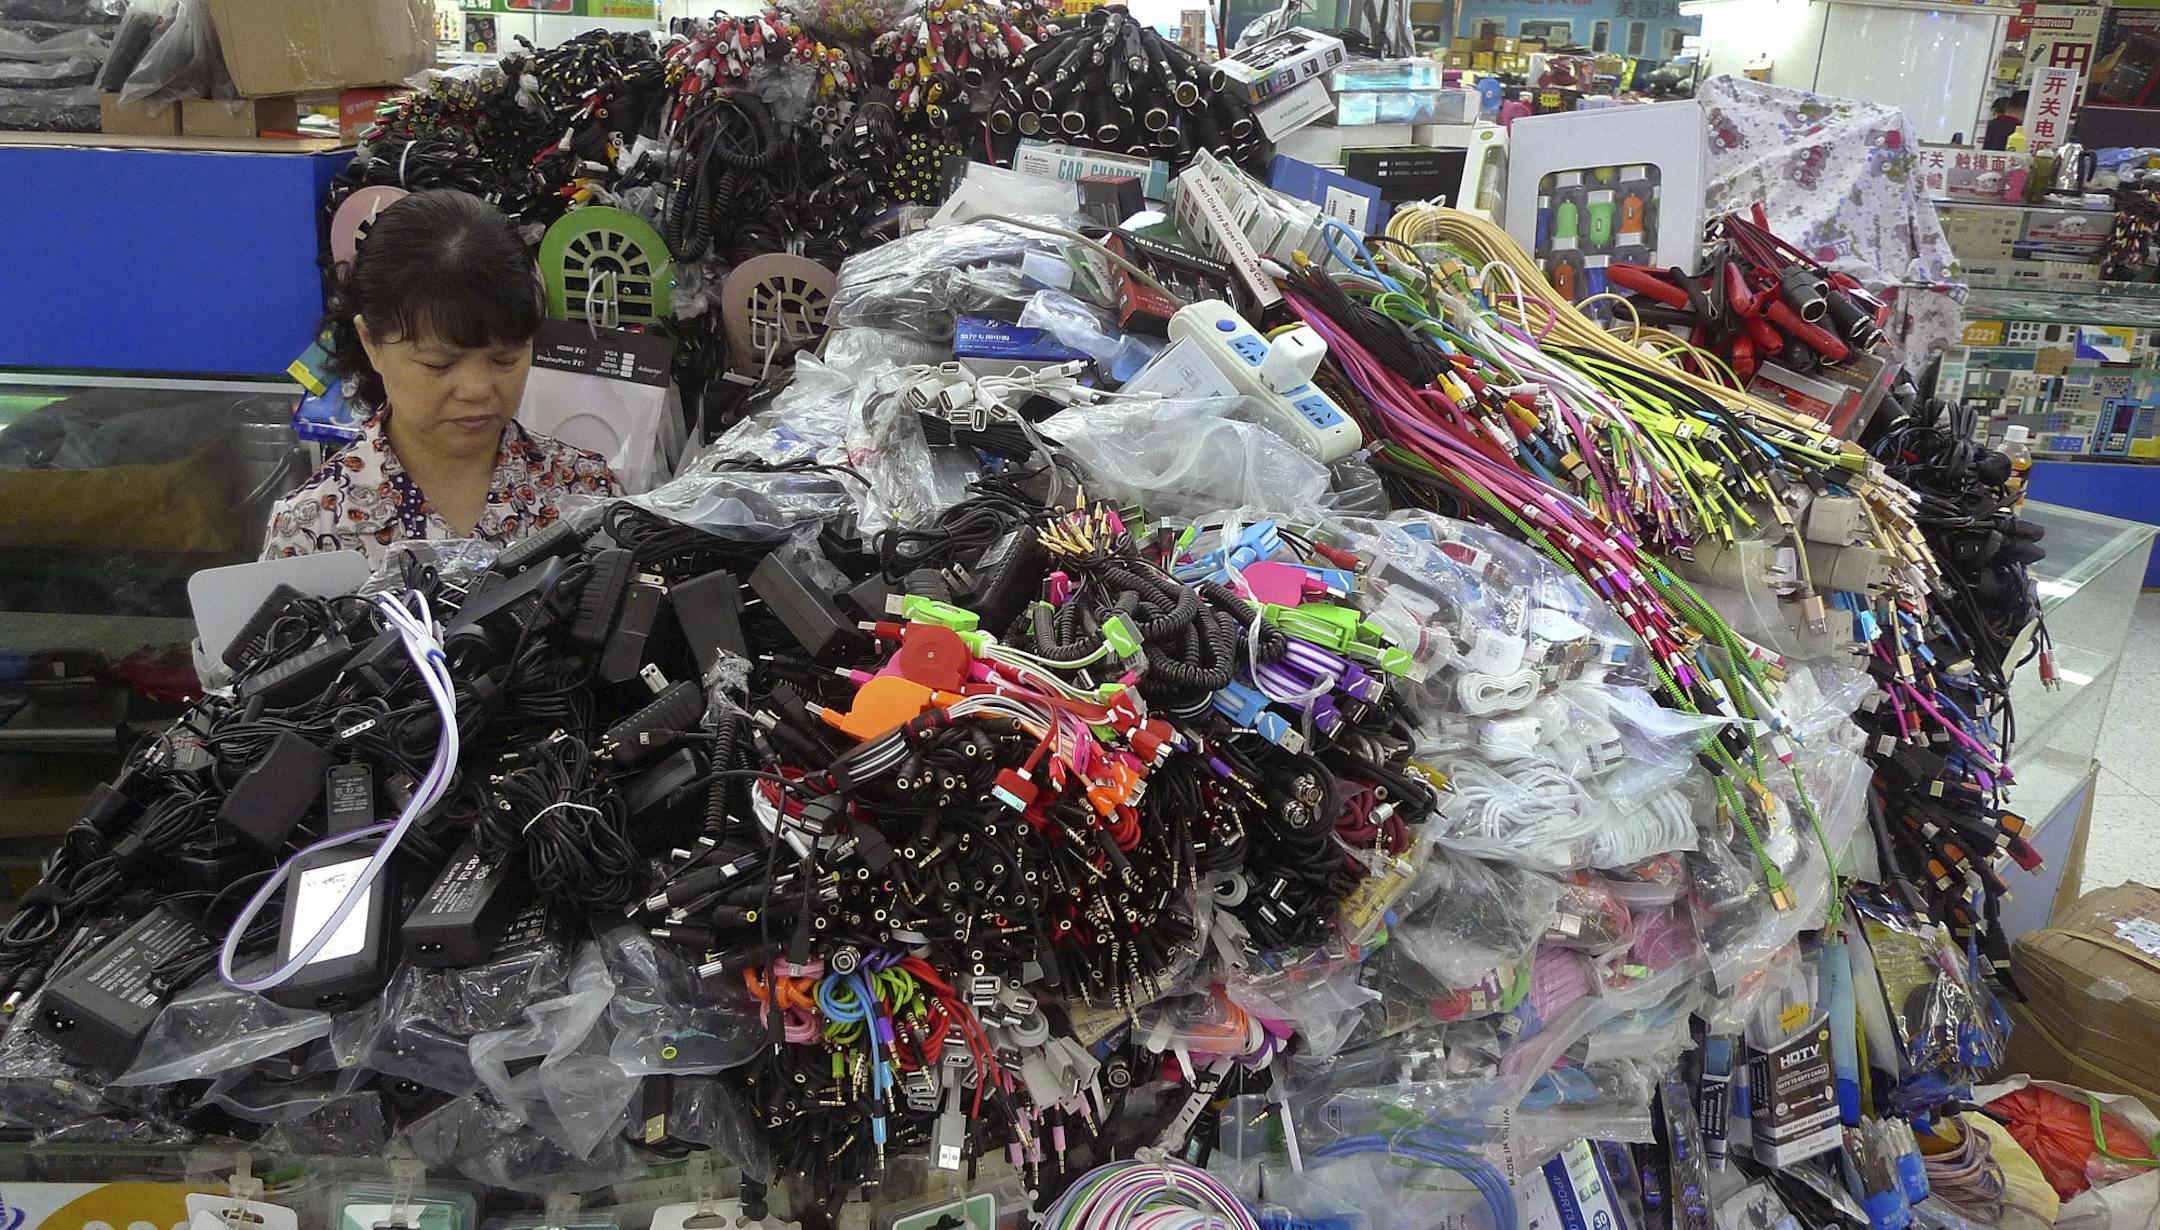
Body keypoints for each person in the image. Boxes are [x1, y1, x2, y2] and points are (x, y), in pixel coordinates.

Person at [262, 189, 620, 561]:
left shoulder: (583, 492)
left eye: (505, 359)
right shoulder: (311, 528)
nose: (478, 390)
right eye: (440, 364)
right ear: (371, 342)